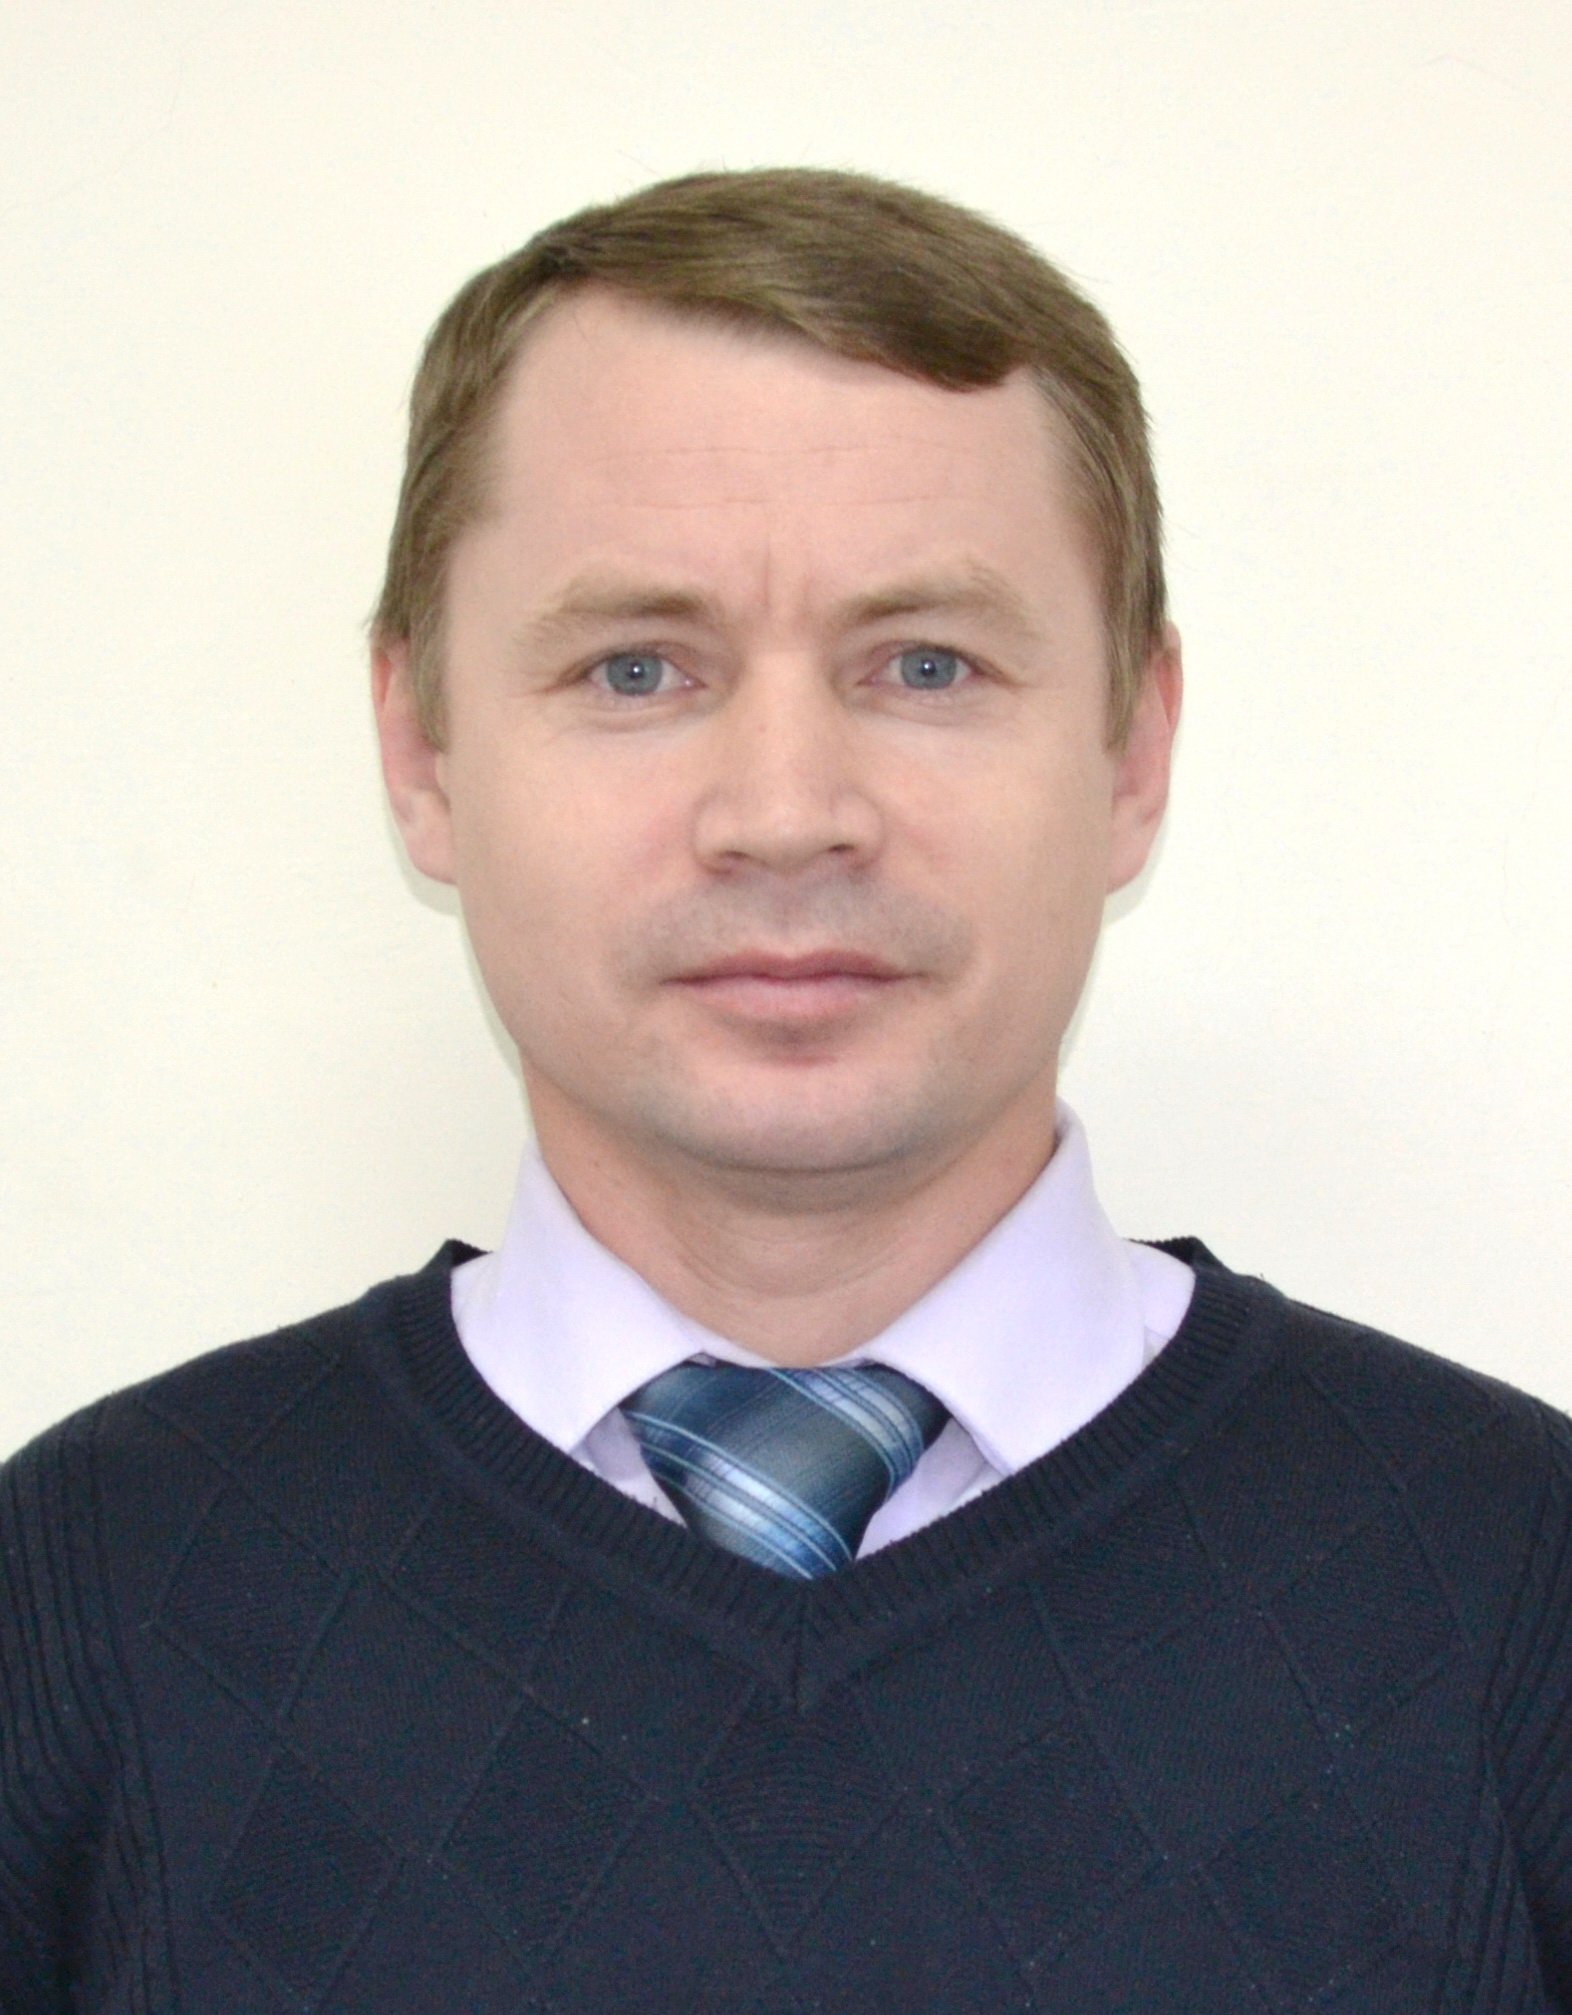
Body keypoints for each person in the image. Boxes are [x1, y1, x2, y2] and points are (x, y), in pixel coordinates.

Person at [2, 166, 1569, 2013]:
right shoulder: (83, 1602)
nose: (785, 812)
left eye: (927, 663)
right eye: (637, 668)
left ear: (1134, 751)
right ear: (422, 753)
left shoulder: (1519, 1594)